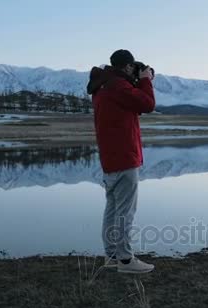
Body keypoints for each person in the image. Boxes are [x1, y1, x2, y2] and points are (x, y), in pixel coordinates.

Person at [86, 49, 155, 273]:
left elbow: (132, 103)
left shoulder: (103, 86)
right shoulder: (117, 86)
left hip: (110, 157)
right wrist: (145, 81)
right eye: (132, 67)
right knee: (125, 211)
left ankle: (113, 256)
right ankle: (126, 260)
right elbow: (147, 104)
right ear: (126, 66)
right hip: (125, 156)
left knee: (113, 208)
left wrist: (136, 80)